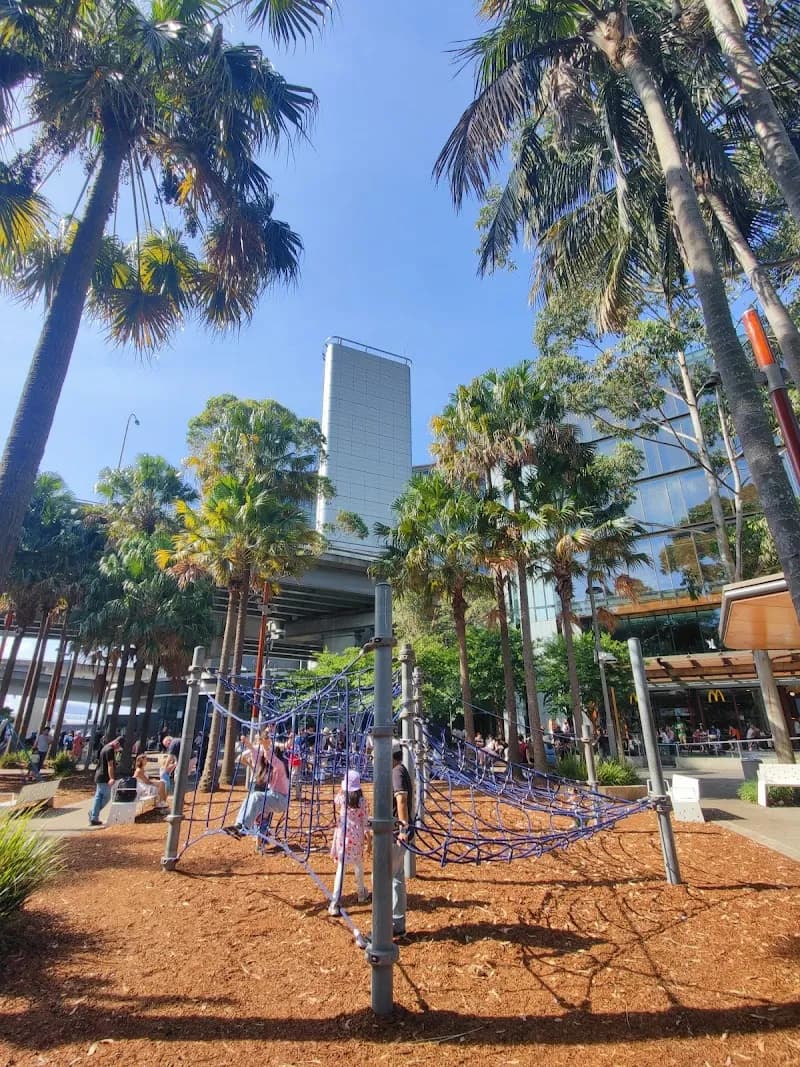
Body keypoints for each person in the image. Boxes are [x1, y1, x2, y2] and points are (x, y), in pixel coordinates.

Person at [223, 728, 290, 839]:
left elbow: (269, 756)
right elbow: (257, 755)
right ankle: (239, 825)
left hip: (281, 800)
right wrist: (248, 744)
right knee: (250, 798)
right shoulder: (268, 766)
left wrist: (265, 746)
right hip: (272, 796)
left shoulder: (280, 766)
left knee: (256, 797)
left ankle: (245, 828)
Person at [328, 769, 371, 916]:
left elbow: (335, 799)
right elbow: (365, 822)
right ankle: (361, 893)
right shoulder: (362, 801)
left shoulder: (342, 799)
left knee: (341, 867)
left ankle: (335, 902)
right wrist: (369, 840)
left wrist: (343, 789)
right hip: (357, 837)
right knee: (358, 864)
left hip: (342, 835)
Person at [391, 740, 413, 939]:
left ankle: (392, 923)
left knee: (389, 876)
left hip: (396, 833)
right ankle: (396, 922)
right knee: (394, 875)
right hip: (396, 832)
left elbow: (401, 798)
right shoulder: (401, 769)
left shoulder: (396, 772)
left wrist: (402, 827)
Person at [89, 736, 122, 826]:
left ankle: (94, 817)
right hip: (104, 777)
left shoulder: (105, 747)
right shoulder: (110, 750)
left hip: (99, 775)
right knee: (106, 797)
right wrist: (112, 778)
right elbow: (110, 765)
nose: (118, 749)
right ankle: (93, 814)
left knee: (98, 797)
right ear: (116, 743)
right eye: (119, 747)